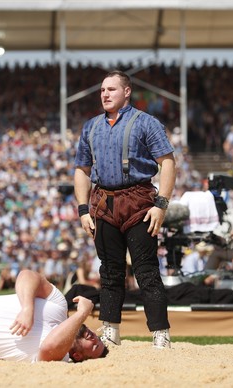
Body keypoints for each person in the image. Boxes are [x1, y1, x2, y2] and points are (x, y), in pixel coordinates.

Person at [73, 70, 176, 349]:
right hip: (103, 203)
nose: (105, 94)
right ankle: (110, 330)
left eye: (112, 89)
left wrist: (161, 206)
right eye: (102, 90)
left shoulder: (146, 123)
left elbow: (167, 162)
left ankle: (160, 332)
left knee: (146, 270)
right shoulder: (91, 127)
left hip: (139, 200)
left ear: (127, 92)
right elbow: (82, 169)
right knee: (110, 271)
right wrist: (83, 209)